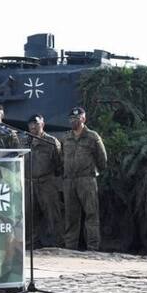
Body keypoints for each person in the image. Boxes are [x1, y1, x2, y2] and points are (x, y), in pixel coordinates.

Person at [62, 106, 107, 250]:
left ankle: (92, 247)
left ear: (84, 119)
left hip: (86, 179)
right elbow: (61, 158)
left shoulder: (92, 137)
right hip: (69, 181)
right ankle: (70, 247)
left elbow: (102, 159)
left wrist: (92, 172)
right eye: (71, 118)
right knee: (71, 215)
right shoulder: (66, 138)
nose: (74, 121)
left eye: (77, 118)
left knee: (91, 214)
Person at [23, 114, 63, 248]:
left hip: (47, 183)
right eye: (31, 124)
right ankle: (31, 243)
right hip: (29, 183)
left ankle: (57, 243)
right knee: (29, 214)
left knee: (53, 214)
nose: (33, 126)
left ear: (42, 124)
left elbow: (59, 163)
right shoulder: (24, 141)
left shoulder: (51, 142)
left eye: (36, 123)